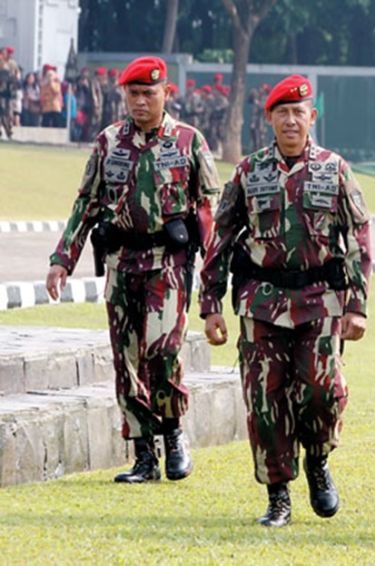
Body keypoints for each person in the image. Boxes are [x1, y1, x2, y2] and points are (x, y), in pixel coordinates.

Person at [199, 74, 371, 528]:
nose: (291, 120)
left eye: (299, 112)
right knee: (263, 398)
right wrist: (211, 304)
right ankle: (278, 495)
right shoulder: (248, 171)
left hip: (321, 300)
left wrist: (358, 305)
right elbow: (220, 237)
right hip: (262, 301)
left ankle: (317, 458)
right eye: (282, 113)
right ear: (270, 119)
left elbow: (358, 239)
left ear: (312, 117)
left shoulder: (335, 170)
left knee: (322, 390)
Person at [46, 56, 221, 484]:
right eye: (133, 93)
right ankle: (144, 454)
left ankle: (174, 433)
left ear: (166, 93)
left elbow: (208, 212)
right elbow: (85, 204)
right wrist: (62, 259)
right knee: (126, 360)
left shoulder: (188, 141)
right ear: (124, 94)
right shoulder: (108, 143)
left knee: (162, 352)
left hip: (169, 265)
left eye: (149, 93)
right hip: (122, 264)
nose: (140, 101)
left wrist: (216, 275)